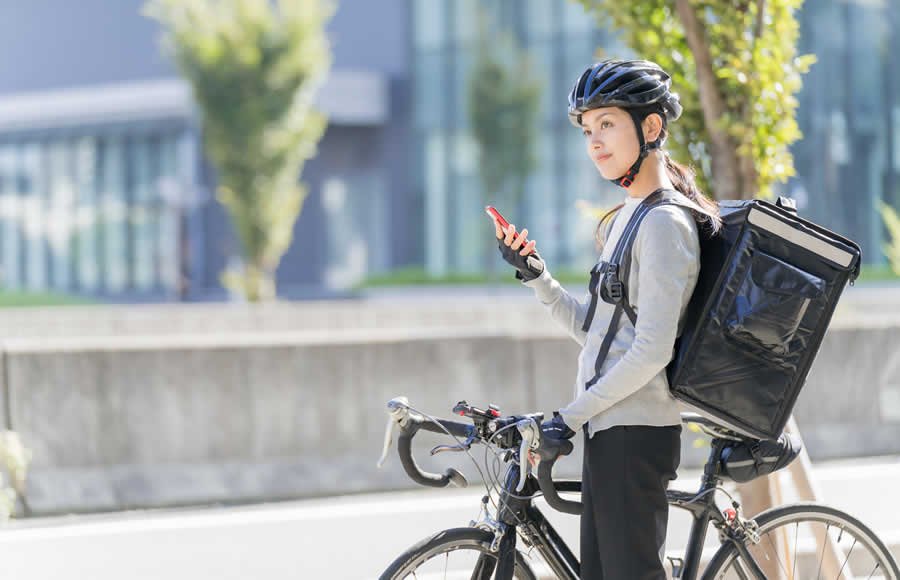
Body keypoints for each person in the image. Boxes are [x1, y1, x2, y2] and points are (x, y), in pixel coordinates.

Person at [492, 59, 721, 579]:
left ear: (652, 127)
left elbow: (652, 350)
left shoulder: (664, 223)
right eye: (588, 129)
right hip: (608, 430)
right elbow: (599, 334)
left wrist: (567, 416)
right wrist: (537, 278)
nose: (594, 140)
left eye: (608, 124)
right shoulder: (628, 218)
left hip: (636, 435)